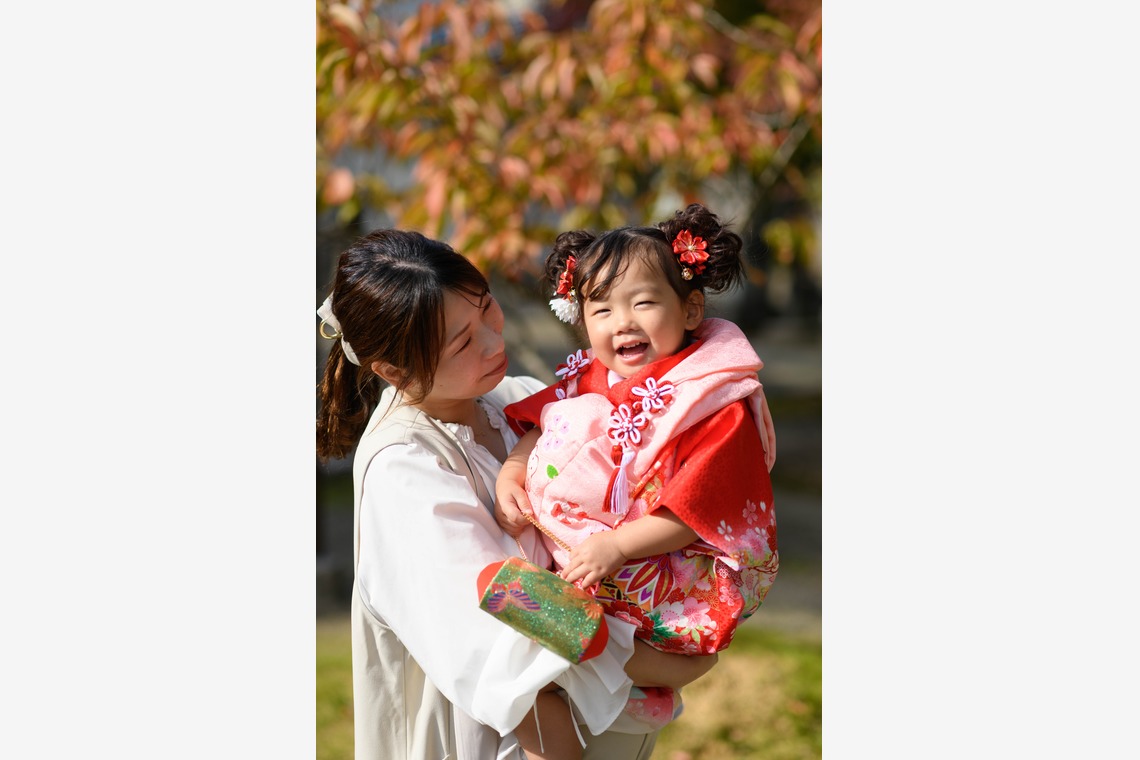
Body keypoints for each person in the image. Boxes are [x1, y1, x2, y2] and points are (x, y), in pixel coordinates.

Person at [315, 228, 718, 760]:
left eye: (487, 308)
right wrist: (656, 660)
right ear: (393, 370)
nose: (492, 340)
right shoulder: (404, 468)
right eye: (462, 341)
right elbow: (508, 612)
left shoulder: (517, 399)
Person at [494, 202, 780, 669]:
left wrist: (619, 546)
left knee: (578, 658)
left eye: (642, 302)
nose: (622, 321)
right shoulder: (591, 376)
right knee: (517, 623)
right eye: (602, 309)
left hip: (669, 567)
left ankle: (622, 670)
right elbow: (548, 428)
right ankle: (604, 674)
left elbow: (699, 509)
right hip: (592, 552)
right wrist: (512, 472)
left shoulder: (713, 400)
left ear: (690, 309)